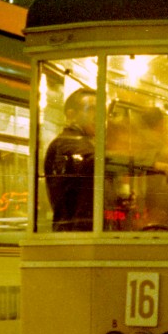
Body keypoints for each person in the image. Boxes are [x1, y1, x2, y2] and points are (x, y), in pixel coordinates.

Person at [44, 88, 97, 232]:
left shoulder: (87, 143)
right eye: (91, 109)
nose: (99, 116)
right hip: (74, 234)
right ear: (71, 115)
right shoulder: (67, 142)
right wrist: (152, 163)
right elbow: (98, 160)